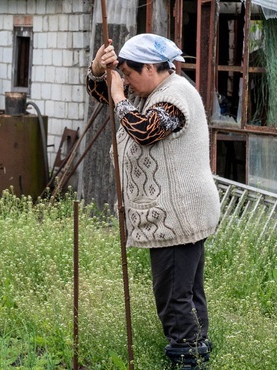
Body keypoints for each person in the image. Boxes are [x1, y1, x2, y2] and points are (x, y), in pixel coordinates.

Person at [86, 33, 221, 369]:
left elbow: (145, 131)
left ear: (150, 67)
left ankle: (186, 358)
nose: (127, 82)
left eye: (130, 75)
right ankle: (198, 348)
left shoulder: (175, 97)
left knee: (174, 295)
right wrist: (97, 69)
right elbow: (105, 91)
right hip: (178, 211)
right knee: (187, 290)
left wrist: (119, 99)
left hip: (178, 215)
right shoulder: (156, 89)